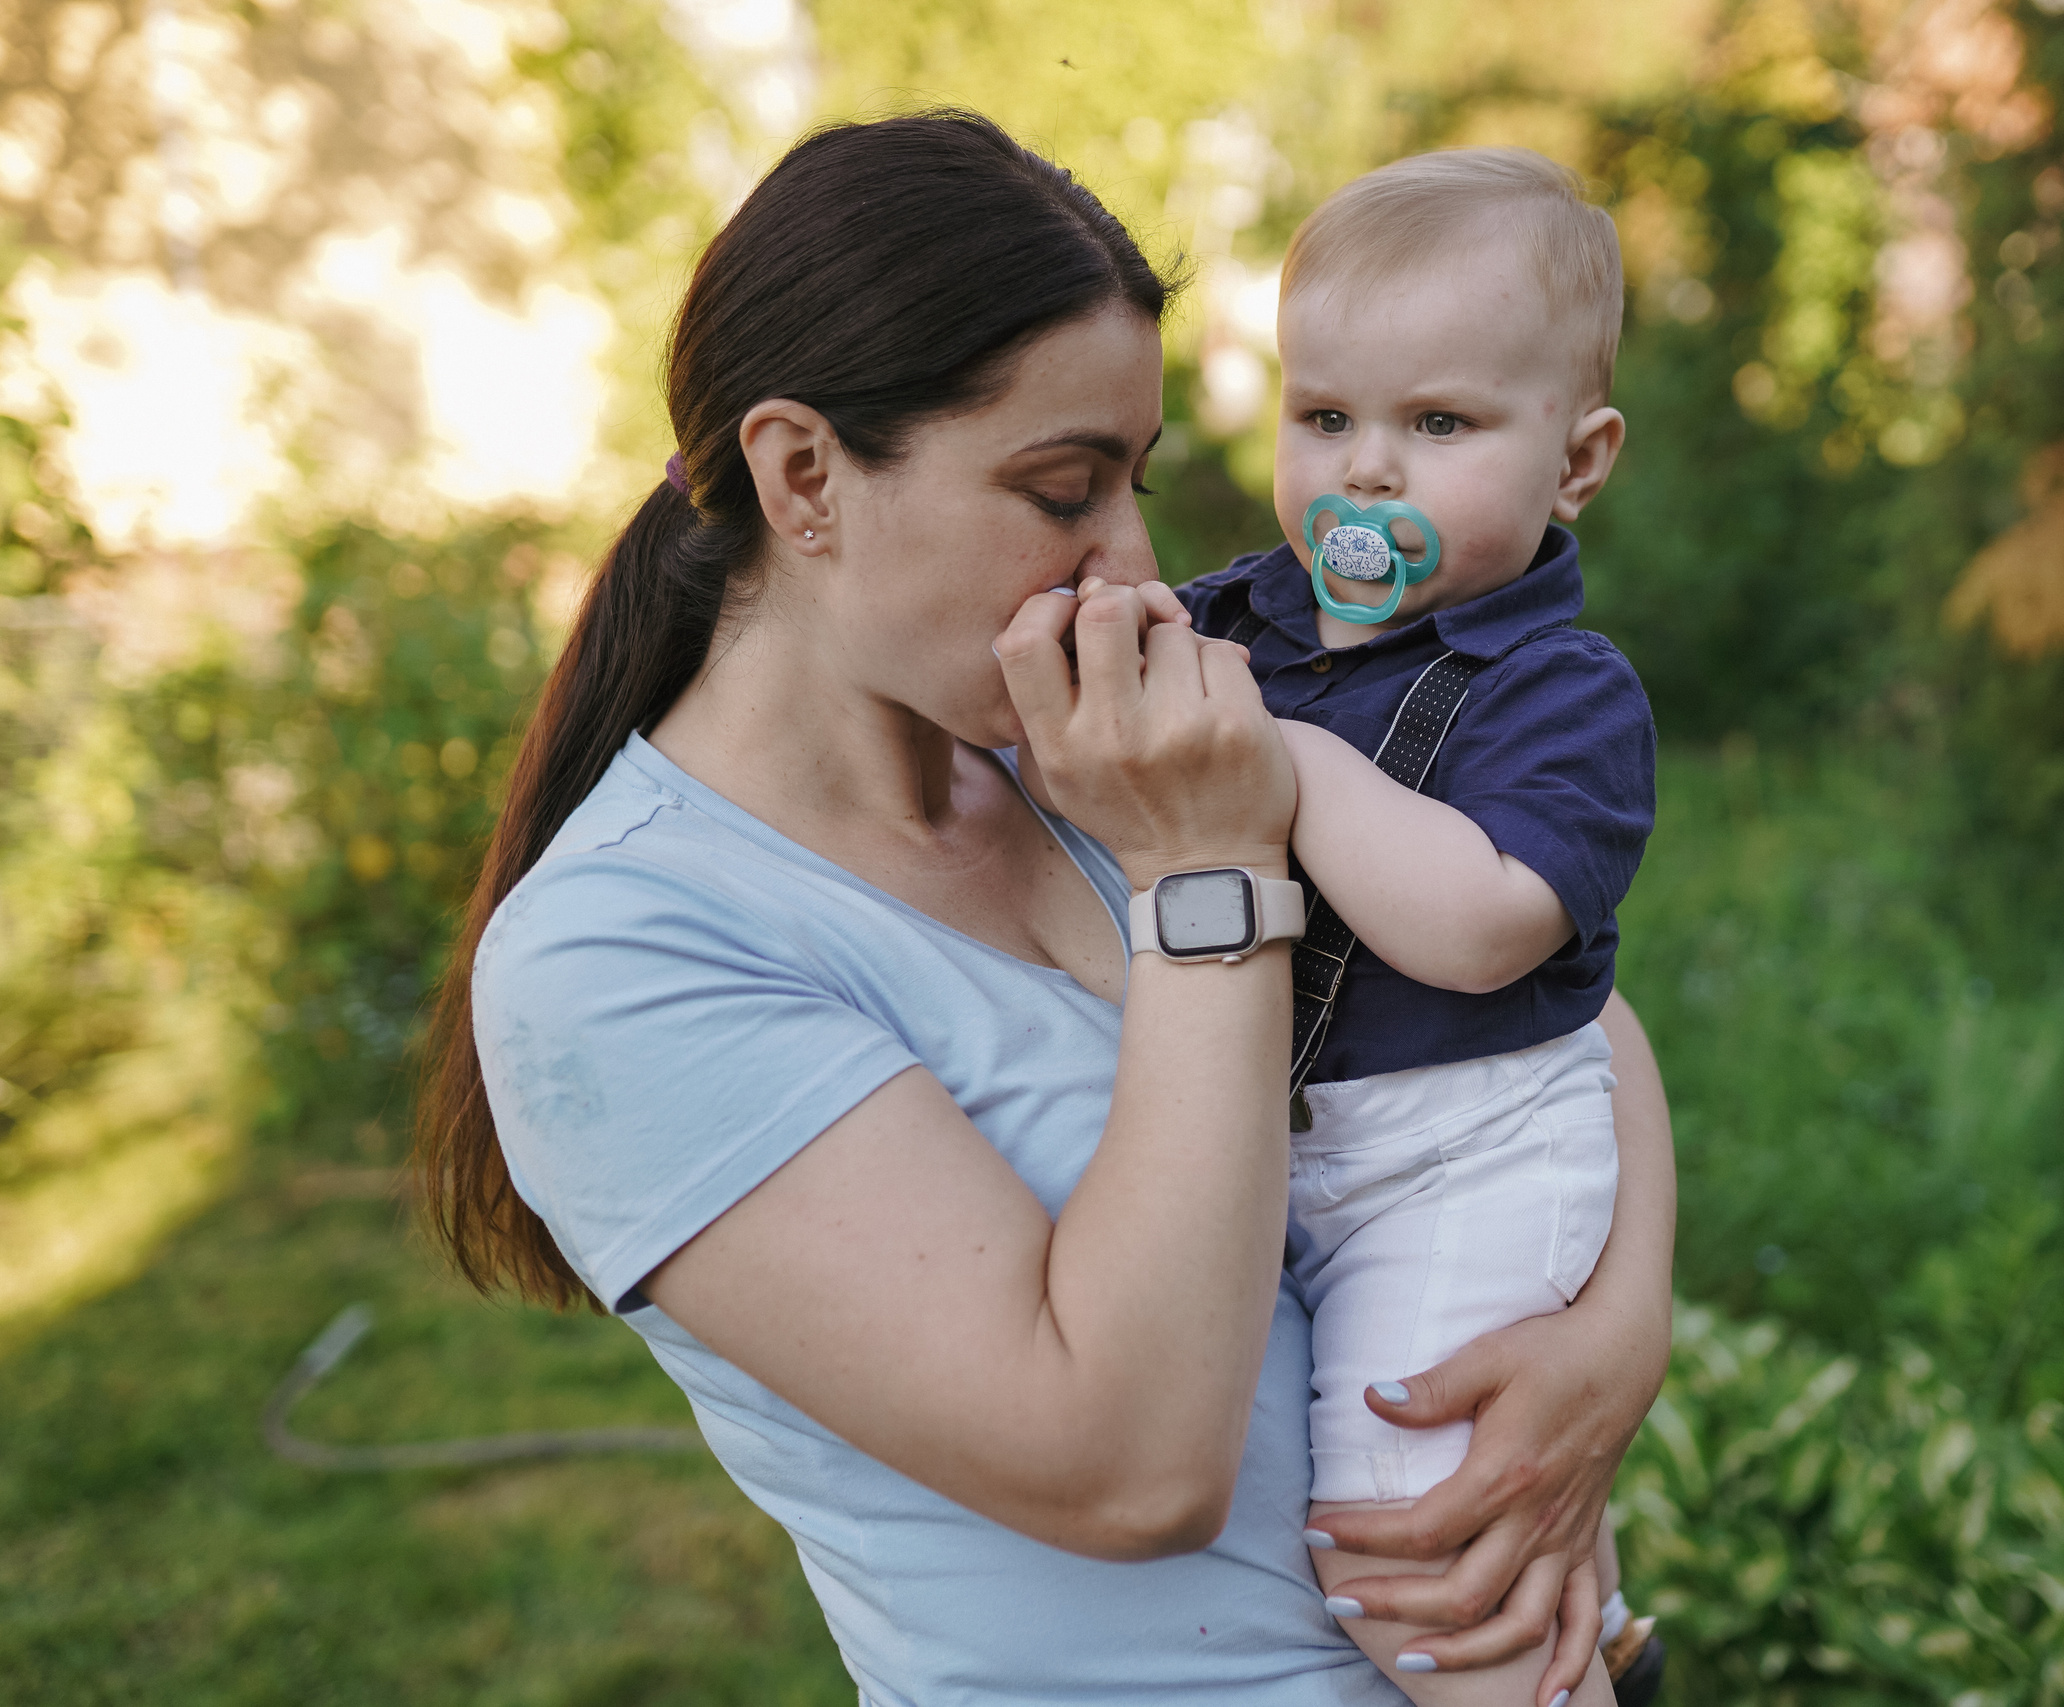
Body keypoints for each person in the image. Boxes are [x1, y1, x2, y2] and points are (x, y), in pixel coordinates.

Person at [416, 111, 1674, 1707]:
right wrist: (1205, 877)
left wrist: (1619, 1337)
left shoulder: (1076, 752)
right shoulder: (624, 953)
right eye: (1062, 488)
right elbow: (1130, 1474)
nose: (1133, 564)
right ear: (804, 475)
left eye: (1136, 482)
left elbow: (1557, 1002)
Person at [1171, 148, 1661, 1707]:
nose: (1365, 474)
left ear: (1576, 462)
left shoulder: (1560, 695)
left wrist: (1291, 764)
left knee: (1413, 1567)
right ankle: (1606, 1657)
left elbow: (1484, 930)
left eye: (1438, 425)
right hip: (1288, 1158)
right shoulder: (1238, 621)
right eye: (1326, 419)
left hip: (1460, 1161)